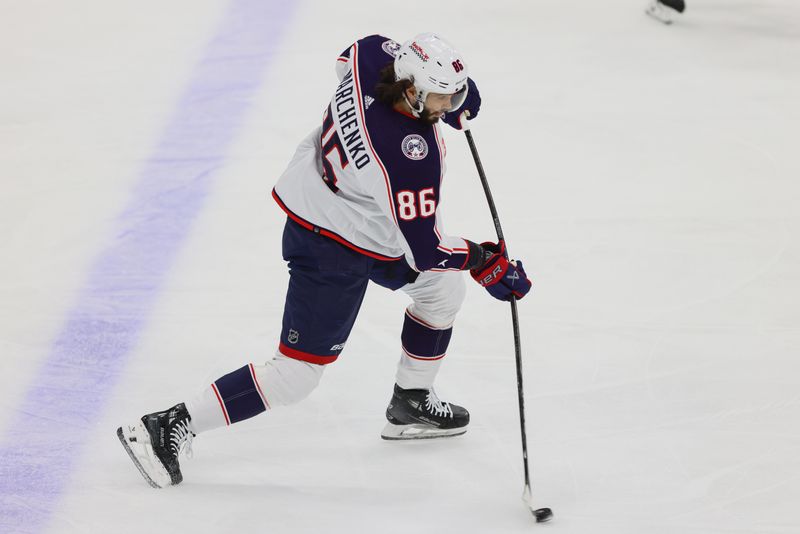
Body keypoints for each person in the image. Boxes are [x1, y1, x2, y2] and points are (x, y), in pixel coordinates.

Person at [117, 33, 533, 488]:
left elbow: (345, 59)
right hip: (330, 244)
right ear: (411, 89)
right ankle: (167, 425)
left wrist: (451, 96)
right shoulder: (409, 157)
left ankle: (410, 401)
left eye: (452, 95)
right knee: (296, 375)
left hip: (355, 213)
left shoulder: (373, 55)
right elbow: (427, 250)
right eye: (439, 97)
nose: (450, 105)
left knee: (440, 288)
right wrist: (481, 260)